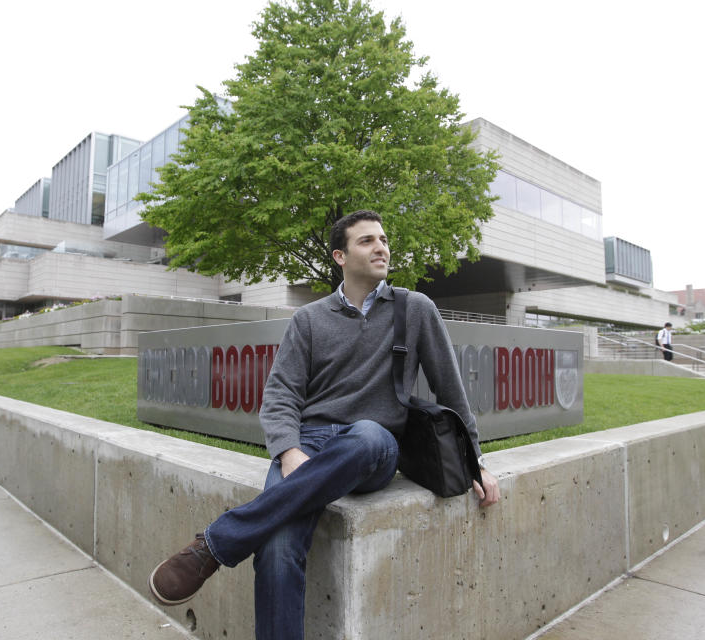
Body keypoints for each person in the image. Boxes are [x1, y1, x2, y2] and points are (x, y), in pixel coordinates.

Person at [147, 210, 501, 639]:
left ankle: (214, 545)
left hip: (374, 448)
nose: (382, 248)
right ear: (340, 255)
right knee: (276, 549)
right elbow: (280, 396)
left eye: (384, 240)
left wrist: (475, 460)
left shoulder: (415, 309)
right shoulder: (309, 319)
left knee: (368, 434)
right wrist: (289, 450)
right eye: (367, 241)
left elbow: (452, 391)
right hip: (309, 445)